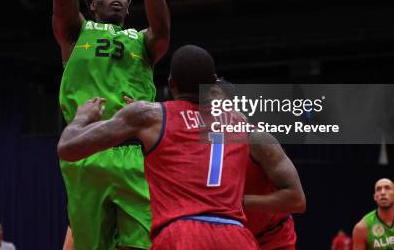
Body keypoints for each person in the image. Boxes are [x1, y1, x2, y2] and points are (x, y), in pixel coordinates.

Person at [52, 0, 170, 250]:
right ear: (91, 3)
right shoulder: (77, 32)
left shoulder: (142, 42)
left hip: (133, 153)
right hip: (86, 147)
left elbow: (163, 29)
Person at [58, 45, 258, 249]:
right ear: (213, 83)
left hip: (182, 233)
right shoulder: (241, 124)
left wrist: (81, 118)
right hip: (235, 235)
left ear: (171, 84)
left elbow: (68, 147)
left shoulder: (153, 117)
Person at [212, 78, 306, 250]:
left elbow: (297, 201)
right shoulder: (199, 143)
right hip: (231, 238)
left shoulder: (258, 140)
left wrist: (240, 201)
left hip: (272, 239)